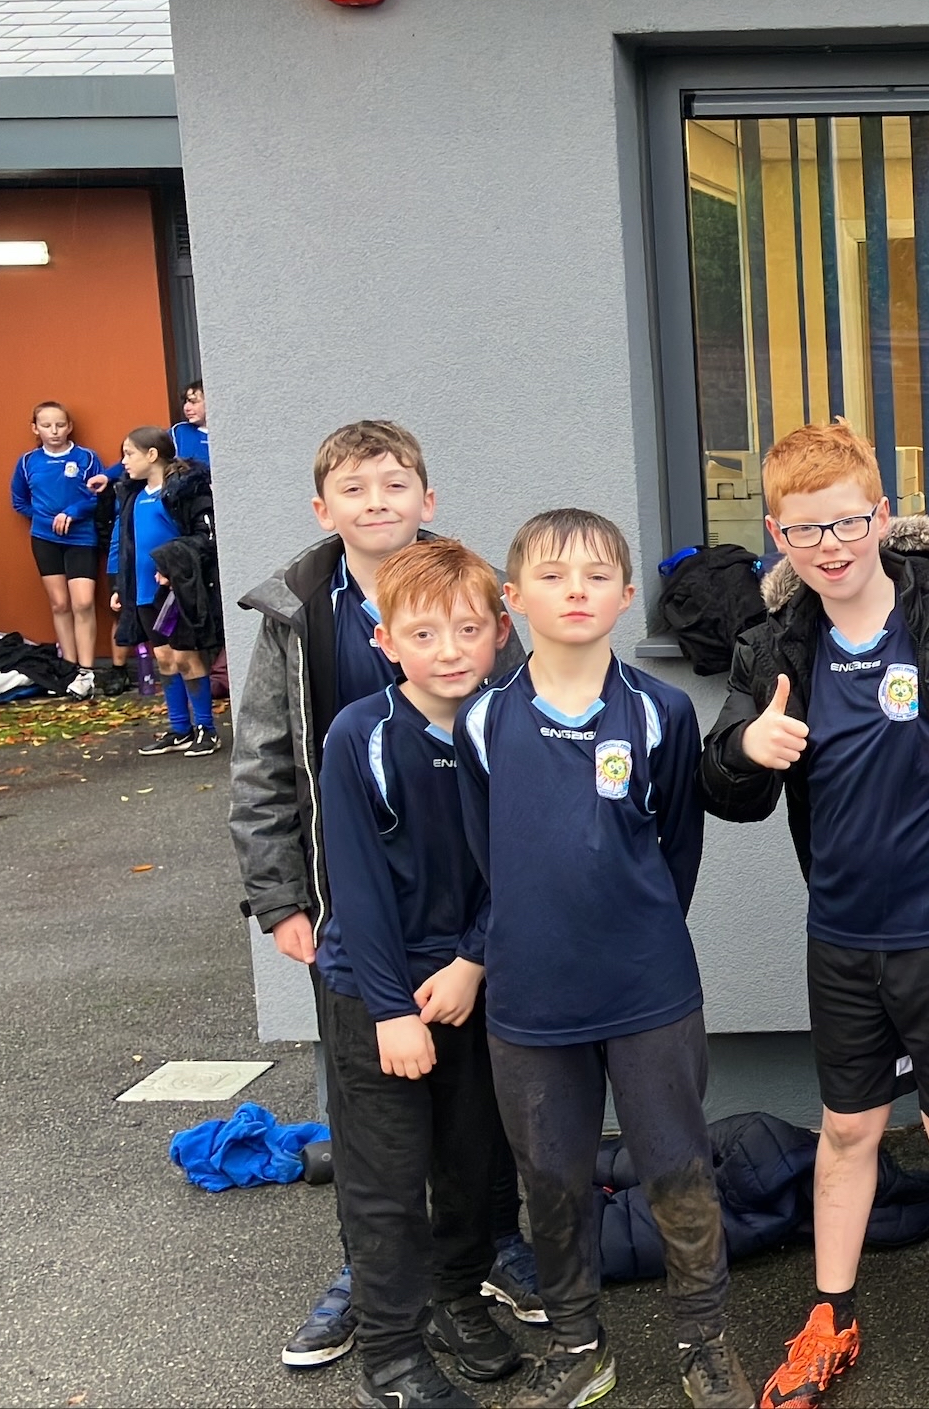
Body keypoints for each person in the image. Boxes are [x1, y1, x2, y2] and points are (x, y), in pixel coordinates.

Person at [703, 421, 929, 1409]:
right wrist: (744, 751)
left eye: (848, 521)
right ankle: (829, 1319)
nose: (831, 545)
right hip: (843, 936)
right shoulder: (774, 644)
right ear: (777, 534)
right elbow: (725, 785)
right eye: (806, 529)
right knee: (846, 1129)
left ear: (882, 515)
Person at [230, 420, 540, 1371]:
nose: (377, 503)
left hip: (471, 914)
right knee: (374, 1115)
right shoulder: (300, 615)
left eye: (394, 485)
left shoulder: (469, 595)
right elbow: (262, 762)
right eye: (355, 490)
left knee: (476, 1109)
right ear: (324, 510)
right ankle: (369, 1281)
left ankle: (481, 1257)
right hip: (351, 901)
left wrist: (487, 940)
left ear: (426, 500)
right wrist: (279, 895)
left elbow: (523, 740)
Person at [459, 508, 750, 1409]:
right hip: (530, 996)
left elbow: (676, 850)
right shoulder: (483, 719)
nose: (575, 592)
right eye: (552, 576)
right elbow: (484, 855)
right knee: (551, 1178)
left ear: (626, 597)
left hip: (646, 987)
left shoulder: (660, 711)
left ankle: (703, 1340)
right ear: (513, 599)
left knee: (677, 1167)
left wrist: (635, 930)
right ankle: (578, 1346)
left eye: (595, 576)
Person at [315, 538, 522, 1409]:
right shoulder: (359, 735)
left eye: (468, 630)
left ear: (500, 632)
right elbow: (354, 886)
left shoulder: (512, 728)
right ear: (385, 640)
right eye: (424, 634)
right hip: (376, 991)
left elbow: (518, 867)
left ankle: (456, 1299)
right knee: (388, 1181)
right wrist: (391, 1010)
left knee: (474, 1163)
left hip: (473, 983)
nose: (449, 651)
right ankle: (392, 1357)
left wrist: (473, 959)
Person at [105, 427, 219, 757]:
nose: (124, 462)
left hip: (174, 593)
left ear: (152, 455)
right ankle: (179, 728)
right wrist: (121, 586)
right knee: (165, 658)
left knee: (186, 656)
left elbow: (205, 538)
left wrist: (173, 567)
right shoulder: (133, 496)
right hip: (143, 593)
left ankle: (206, 729)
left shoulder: (183, 491)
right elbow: (127, 545)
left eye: (129, 454)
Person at [9, 400, 108, 697]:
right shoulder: (28, 462)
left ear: (69, 427)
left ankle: (87, 671)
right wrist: (44, 518)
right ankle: (69, 668)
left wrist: (73, 513)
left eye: (60, 425)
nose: (54, 431)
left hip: (81, 537)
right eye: (46, 425)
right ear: (35, 428)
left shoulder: (86, 458)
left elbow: (100, 496)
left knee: (83, 602)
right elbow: (19, 501)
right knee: (60, 604)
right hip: (45, 539)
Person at [173, 380, 212, 469]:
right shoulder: (179, 432)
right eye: (185, 402)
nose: (186, 408)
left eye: (193, 402)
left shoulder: (229, 433)